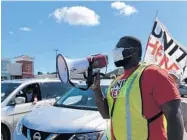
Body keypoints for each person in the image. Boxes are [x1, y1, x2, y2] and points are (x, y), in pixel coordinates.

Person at [93, 36, 184, 140]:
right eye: (115, 51)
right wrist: (96, 89)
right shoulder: (115, 82)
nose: (116, 53)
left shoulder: (154, 74)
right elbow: (106, 115)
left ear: (135, 51)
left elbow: (174, 116)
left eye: (120, 50)